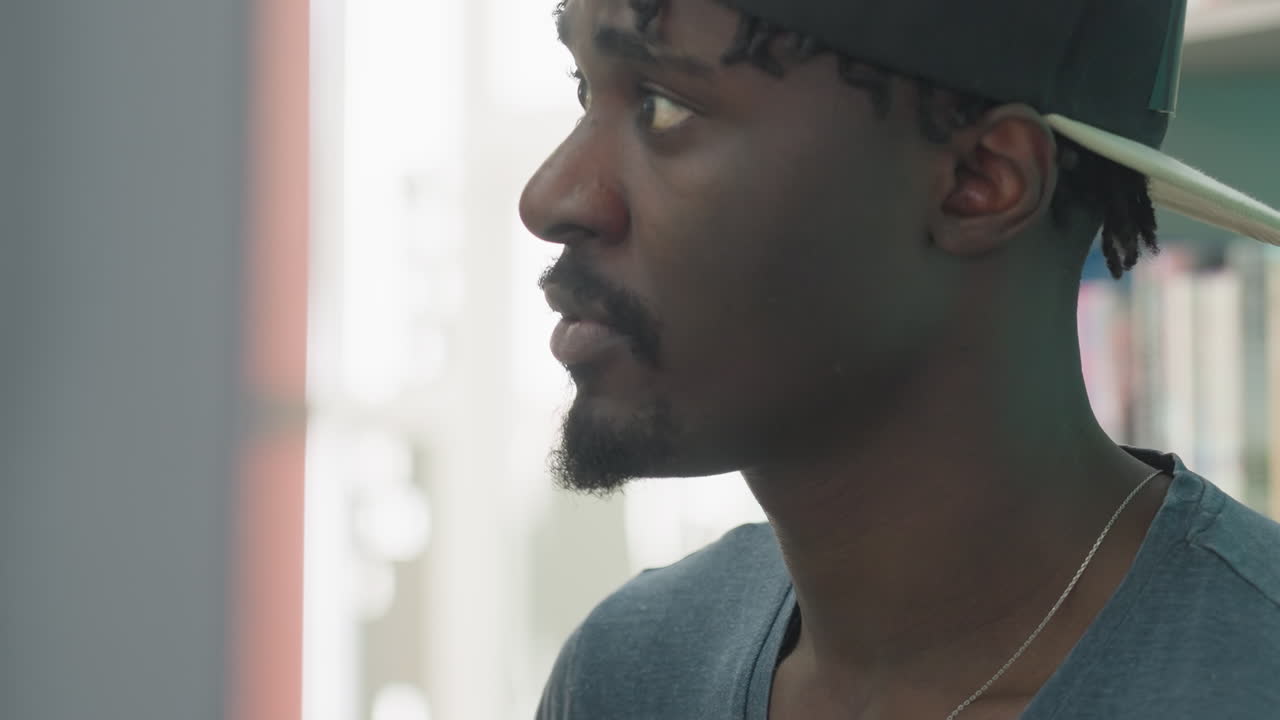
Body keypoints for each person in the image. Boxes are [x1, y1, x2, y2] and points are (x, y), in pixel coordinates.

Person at [517, 0, 1280, 717]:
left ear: (978, 181)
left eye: (661, 104)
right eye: (586, 90)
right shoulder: (626, 675)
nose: (549, 196)